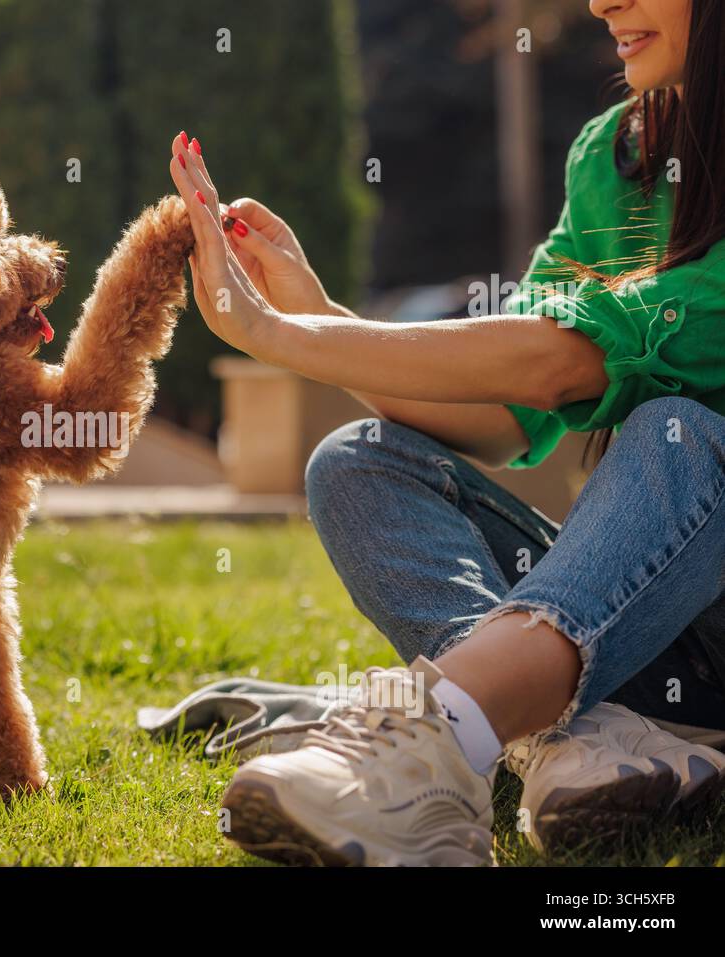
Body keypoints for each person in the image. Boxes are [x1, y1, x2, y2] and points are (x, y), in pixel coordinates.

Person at [169, 0, 725, 865]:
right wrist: (320, 319)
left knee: (681, 434)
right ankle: (585, 739)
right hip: (643, 626)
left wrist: (287, 337)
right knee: (357, 459)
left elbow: (563, 364)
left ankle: (439, 743)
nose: (601, 3)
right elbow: (507, 416)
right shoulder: (613, 152)